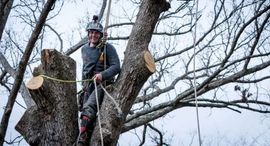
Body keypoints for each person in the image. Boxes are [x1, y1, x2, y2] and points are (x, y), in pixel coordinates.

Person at [77, 15, 121, 146]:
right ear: (88, 33)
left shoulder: (107, 48)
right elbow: (85, 69)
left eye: (96, 33)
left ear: (100, 35)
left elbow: (116, 66)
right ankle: (86, 137)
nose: (93, 35)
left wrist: (102, 75)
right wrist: (83, 85)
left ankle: (81, 139)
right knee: (85, 112)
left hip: (101, 85)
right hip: (87, 87)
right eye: (91, 32)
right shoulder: (84, 49)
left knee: (89, 109)